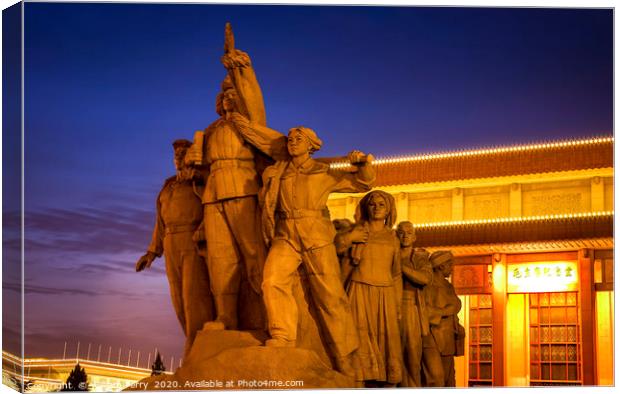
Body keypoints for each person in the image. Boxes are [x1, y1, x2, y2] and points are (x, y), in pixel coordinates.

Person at [251, 124, 375, 377]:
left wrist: (362, 163)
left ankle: (346, 357)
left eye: (299, 138)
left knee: (330, 297)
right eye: (291, 139)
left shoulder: (323, 171)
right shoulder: (277, 172)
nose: (293, 142)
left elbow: (362, 184)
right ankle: (283, 335)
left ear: (311, 145)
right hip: (285, 234)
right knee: (272, 281)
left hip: (316, 236)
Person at [184, 26, 286, 331]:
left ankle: (269, 314)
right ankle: (226, 315)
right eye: (224, 95)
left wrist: (238, 65)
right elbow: (198, 172)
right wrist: (193, 167)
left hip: (243, 190)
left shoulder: (249, 124)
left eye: (233, 94)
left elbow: (252, 96)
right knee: (220, 257)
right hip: (214, 194)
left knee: (253, 253)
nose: (228, 98)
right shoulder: (210, 132)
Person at [135, 139, 214, 357]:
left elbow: (214, 205)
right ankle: (191, 338)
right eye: (176, 155)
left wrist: (199, 177)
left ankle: (198, 344)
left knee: (194, 295)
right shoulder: (168, 185)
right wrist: (152, 252)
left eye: (183, 154)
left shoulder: (201, 179)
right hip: (171, 241)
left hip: (192, 240)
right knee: (178, 298)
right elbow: (159, 222)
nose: (178, 158)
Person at [336, 191, 403, 387]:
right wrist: (350, 238)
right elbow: (334, 248)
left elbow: (396, 274)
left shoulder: (393, 238)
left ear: (389, 208)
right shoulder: (358, 231)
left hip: (385, 294)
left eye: (381, 204)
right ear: (366, 208)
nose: (376, 207)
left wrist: (397, 306)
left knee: (387, 344)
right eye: (372, 204)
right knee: (358, 339)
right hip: (358, 290)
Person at [396, 221, 433, 387]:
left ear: (414, 237)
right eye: (401, 232)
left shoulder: (420, 258)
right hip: (388, 305)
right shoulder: (390, 254)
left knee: (412, 356)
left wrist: (402, 268)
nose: (405, 236)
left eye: (409, 232)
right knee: (392, 355)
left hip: (410, 306)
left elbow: (424, 278)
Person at [422, 250, 462, 387]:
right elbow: (423, 310)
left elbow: (456, 304)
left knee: (448, 378)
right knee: (435, 378)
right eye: (449, 265)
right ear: (440, 266)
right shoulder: (426, 286)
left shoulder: (448, 286)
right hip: (431, 336)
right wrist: (444, 311)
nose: (452, 268)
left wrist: (452, 309)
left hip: (447, 336)